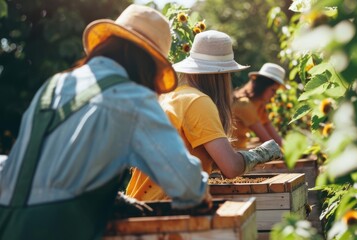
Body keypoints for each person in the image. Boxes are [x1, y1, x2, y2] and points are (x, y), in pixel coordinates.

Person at [0, 5, 211, 240]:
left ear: (105, 46)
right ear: (149, 65)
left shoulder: (54, 85)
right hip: (62, 229)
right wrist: (201, 193)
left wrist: (115, 197)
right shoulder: (133, 98)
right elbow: (187, 186)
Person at [126, 30, 283, 201]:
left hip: (142, 202)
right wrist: (261, 154)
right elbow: (231, 167)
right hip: (164, 206)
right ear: (222, 75)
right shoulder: (198, 102)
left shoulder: (172, 96)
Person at [231, 63, 286, 149]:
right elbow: (267, 141)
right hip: (232, 153)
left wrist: (291, 150)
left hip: (241, 148)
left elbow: (272, 132)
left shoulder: (259, 105)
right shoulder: (244, 104)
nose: (274, 94)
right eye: (273, 90)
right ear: (262, 85)